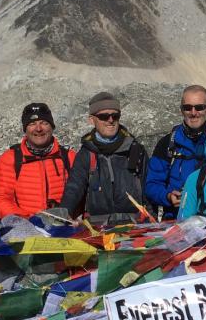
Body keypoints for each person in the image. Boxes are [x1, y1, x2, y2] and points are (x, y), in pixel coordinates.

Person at [60, 92, 149, 224]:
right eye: (103, 116)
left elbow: (147, 187)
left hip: (135, 226)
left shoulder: (136, 150)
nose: (110, 120)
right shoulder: (86, 154)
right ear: (92, 119)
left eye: (115, 115)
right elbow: (74, 187)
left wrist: (151, 221)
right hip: (98, 227)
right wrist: (64, 213)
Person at [0, 103, 75, 219]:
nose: (39, 128)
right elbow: (0, 198)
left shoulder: (68, 156)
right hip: (26, 227)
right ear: (25, 129)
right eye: (32, 124)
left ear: (52, 127)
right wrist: (24, 220)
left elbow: (81, 194)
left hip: (63, 226)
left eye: (44, 123)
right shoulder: (11, 158)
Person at [145, 85, 206, 219]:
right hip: (176, 220)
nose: (193, 113)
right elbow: (151, 185)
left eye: (199, 107)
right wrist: (168, 197)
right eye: (188, 107)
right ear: (181, 110)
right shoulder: (167, 143)